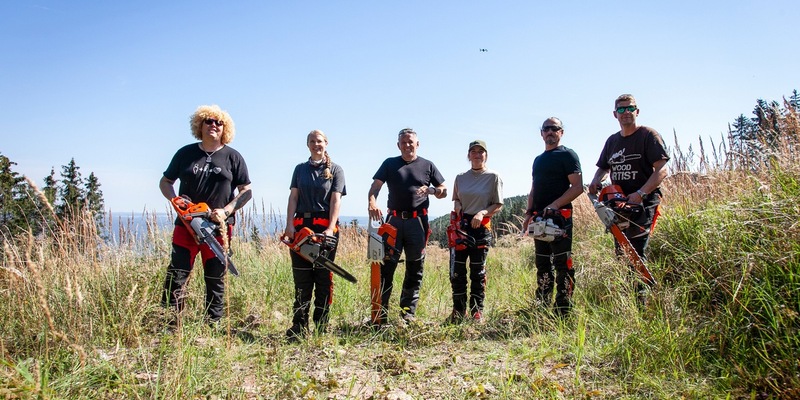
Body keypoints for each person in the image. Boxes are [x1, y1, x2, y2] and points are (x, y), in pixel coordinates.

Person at [160, 104, 252, 325]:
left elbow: (246, 191)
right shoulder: (185, 153)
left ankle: (213, 323)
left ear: (225, 128)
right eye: (208, 121)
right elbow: (166, 182)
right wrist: (175, 200)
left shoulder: (233, 156)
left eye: (219, 123)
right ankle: (171, 322)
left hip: (218, 227)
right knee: (178, 273)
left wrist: (227, 210)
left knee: (215, 276)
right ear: (199, 125)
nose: (214, 125)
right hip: (187, 225)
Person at [588, 94, 669, 301]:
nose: (626, 113)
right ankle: (628, 302)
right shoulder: (612, 141)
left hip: (643, 202)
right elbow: (602, 168)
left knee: (636, 250)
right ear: (615, 114)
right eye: (621, 110)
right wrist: (596, 181)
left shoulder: (648, 136)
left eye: (630, 108)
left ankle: (642, 300)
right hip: (617, 203)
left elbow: (662, 170)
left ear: (637, 111)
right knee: (622, 252)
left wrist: (641, 194)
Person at [367, 128, 447, 325]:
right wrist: (372, 203)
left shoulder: (428, 165)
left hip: (417, 222)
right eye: (403, 142)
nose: (407, 145)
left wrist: (432, 190)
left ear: (417, 144)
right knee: (386, 267)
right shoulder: (389, 163)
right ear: (398, 145)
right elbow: (375, 187)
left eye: (411, 142)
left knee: (415, 268)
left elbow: (444, 191)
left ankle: (407, 315)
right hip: (393, 222)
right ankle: (380, 315)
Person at [282, 130, 346, 340]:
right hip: (301, 229)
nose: (316, 144)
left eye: (319, 141)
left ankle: (321, 326)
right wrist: (289, 225)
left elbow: (336, 200)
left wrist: (330, 227)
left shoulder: (336, 170)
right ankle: (298, 326)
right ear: (307, 145)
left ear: (326, 143)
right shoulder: (299, 170)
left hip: (324, 230)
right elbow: (293, 197)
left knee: (323, 280)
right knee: (302, 280)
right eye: (312, 141)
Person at [523, 118, 583, 317]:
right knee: (542, 263)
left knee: (562, 263)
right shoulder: (538, 159)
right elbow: (534, 188)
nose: (550, 132)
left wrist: (555, 205)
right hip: (539, 219)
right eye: (546, 129)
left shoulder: (567, 155)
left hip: (560, 218)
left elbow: (577, 187)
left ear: (561, 132)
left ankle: (563, 310)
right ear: (541, 133)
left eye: (554, 129)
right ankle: (541, 305)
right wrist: (528, 214)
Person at [448, 140, 503, 323]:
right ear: (468, 155)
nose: (477, 155)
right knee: (457, 271)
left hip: (481, 227)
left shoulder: (493, 177)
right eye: (473, 151)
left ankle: (477, 312)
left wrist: (482, 213)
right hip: (461, 227)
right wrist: (457, 208)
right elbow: (456, 199)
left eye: (481, 151)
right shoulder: (460, 177)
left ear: (486, 155)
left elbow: (498, 204)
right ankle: (458, 311)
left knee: (478, 272)